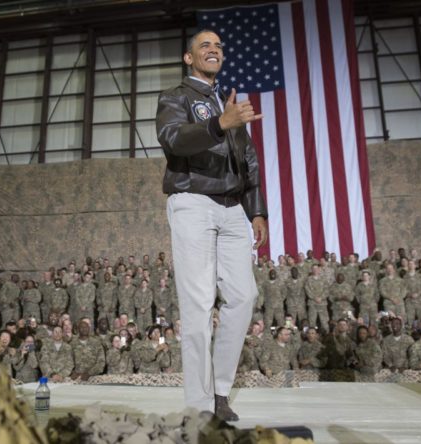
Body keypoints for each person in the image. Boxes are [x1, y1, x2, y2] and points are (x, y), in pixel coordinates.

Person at [156, 29, 267, 420]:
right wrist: (221, 123)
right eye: (205, 45)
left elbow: (248, 161)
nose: (214, 50)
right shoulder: (176, 97)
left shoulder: (227, 105)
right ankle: (201, 405)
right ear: (189, 58)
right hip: (193, 202)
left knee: (243, 296)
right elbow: (173, 139)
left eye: (218, 46)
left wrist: (257, 211)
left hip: (233, 208)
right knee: (199, 303)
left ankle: (220, 390)